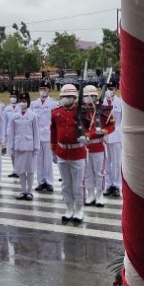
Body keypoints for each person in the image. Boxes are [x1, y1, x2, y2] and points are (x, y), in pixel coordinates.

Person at [51, 84, 87, 223]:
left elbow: (90, 124)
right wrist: (53, 149)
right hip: (62, 152)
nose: (65, 99)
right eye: (63, 96)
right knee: (66, 184)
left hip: (77, 152)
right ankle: (69, 208)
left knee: (77, 184)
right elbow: (53, 131)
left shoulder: (81, 111)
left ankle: (79, 209)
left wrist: (87, 136)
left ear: (74, 98)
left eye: (68, 96)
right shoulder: (56, 112)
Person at [80, 85, 113, 207]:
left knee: (99, 172)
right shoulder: (80, 110)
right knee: (87, 172)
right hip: (86, 146)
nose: (88, 99)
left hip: (98, 145)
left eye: (90, 97)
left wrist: (104, 131)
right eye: (86, 97)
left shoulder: (101, 110)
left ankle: (99, 194)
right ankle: (90, 194)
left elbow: (111, 125)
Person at [8, 91, 40, 201]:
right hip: (18, 146)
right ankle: (23, 191)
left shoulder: (33, 116)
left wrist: (37, 147)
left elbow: (36, 132)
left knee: (30, 170)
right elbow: (11, 132)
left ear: (28, 102)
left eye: (24, 101)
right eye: (21, 101)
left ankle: (29, 191)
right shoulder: (14, 116)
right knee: (20, 170)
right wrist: (11, 147)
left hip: (30, 147)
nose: (22, 103)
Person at [30, 79, 59, 193]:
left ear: (49, 90)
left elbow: (55, 121)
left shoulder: (53, 103)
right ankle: (41, 182)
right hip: (37, 136)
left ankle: (49, 182)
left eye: (45, 89)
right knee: (39, 160)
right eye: (41, 89)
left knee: (48, 160)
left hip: (48, 136)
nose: (43, 91)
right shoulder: (33, 104)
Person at [103, 81, 123, 198]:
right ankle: (108, 185)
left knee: (116, 163)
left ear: (115, 89)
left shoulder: (120, 102)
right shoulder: (101, 103)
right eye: (108, 88)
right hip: (105, 136)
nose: (110, 90)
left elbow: (124, 120)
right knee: (106, 163)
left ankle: (116, 186)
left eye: (111, 88)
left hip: (116, 136)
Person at [3, 87, 21, 178]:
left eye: (14, 96)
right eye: (11, 96)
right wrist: (4, 136)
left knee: (19, 153)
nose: (12, 98)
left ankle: (20, 170)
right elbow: (4, 122)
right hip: (10, 134)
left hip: (19, 134)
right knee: (12, 153)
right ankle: (14, 170)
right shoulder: (7, 108)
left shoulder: (21, 107)